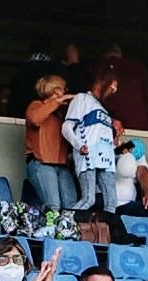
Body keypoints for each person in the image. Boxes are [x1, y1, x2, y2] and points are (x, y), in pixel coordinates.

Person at [62, 64, 117, 214]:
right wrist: (78, 145)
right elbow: (66, 127)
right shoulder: (82, 99)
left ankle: (106, 236)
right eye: (112, 86)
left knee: (112, 203)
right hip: (88, 156)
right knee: (88, 199)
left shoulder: (105, 108)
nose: (114, 90)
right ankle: (62, 224)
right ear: (102, 81)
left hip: (106, 160)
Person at [24, 75, 77, 211]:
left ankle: (69, 232)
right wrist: (56, 102)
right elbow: (35, 119)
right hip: (41, 163)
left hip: (62, 166)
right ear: (55, 90)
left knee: (71, 206)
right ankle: (50, 231)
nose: (65, 92)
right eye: (63, 89)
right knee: (53, 205)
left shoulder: (60, 115)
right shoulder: (36, 105)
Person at [99, 44, 148, 131]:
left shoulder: (101, 68)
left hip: (108, 126)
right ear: (120, 54)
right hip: (137, 124)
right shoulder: (139, 69)